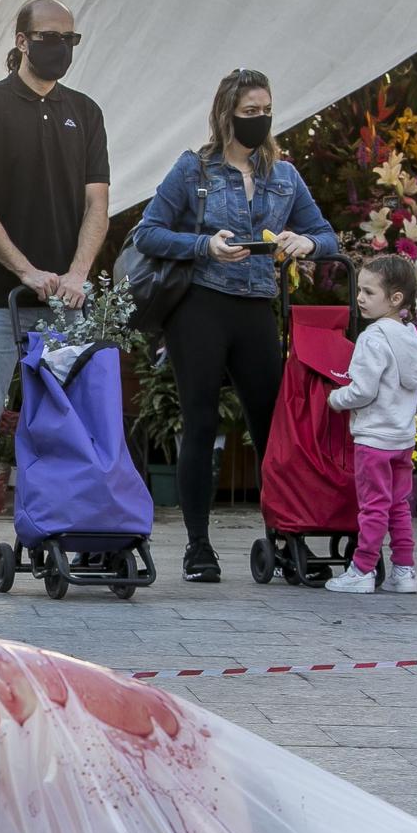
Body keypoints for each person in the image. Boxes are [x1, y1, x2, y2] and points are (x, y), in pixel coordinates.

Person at [133, 67, 340, 580]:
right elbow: (148, 233)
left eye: (266, 110)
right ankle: (198, 547)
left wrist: (305, 244)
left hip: (255, 307)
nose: (260, 119)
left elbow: (326, 235)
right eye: (250, 112)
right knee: (201, 422)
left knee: (272, 425)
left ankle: (286, 535)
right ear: (226, 113)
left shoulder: (284, 175)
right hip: (200, 304)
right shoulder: (194, 170)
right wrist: (204, 245)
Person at [0, 0, 112, 590]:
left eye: (70, 38)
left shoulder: (84, 112)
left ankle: (69, 530)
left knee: (69, 427)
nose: (59, 46)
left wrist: (79, 274)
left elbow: (97, 202)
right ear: (22, 38)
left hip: (68, 303)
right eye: (49, 35)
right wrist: (26, 270)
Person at [324, 256, 417, 595]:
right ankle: (404, 570)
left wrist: (335, 400)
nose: (359, 297)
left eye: (368, 291)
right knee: (398, 506)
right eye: (359, 289)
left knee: (373, 507)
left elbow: (363, 390)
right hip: (402, 438)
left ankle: (361, 569)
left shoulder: (372, 339)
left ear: (395, 299)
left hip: (374, 440)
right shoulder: (410, 338)